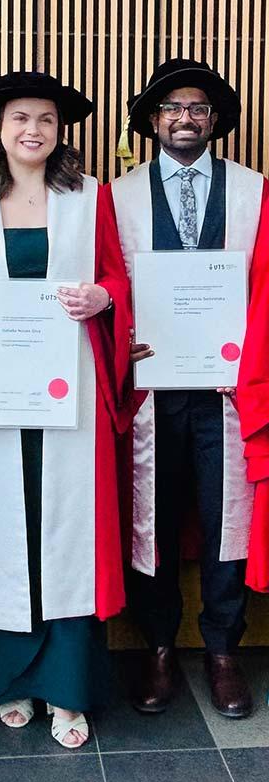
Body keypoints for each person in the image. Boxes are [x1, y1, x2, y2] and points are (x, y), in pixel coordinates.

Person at [0, 72, 135, 749]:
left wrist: (102, 297)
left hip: (70, 395)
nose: (32, 129)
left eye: (45, 119)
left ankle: (65, 688)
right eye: (19, 118)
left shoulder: (90, 197)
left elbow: (116, 275)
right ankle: (5, 678)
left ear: (60, 131)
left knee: (66, 530)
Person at [106, 58, 269, 719]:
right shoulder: (116, 196)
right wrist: (120, 337)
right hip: (150, 390)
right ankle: (159, 645)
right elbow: (106, 282)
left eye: (198, 107)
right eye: (172, 107)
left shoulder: (255, 192)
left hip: (228, 391)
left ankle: (224, 649)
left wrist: (250, 361)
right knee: (154, 517)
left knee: (229, 517)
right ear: (153, 121)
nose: (185, 117)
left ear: (215, 120)